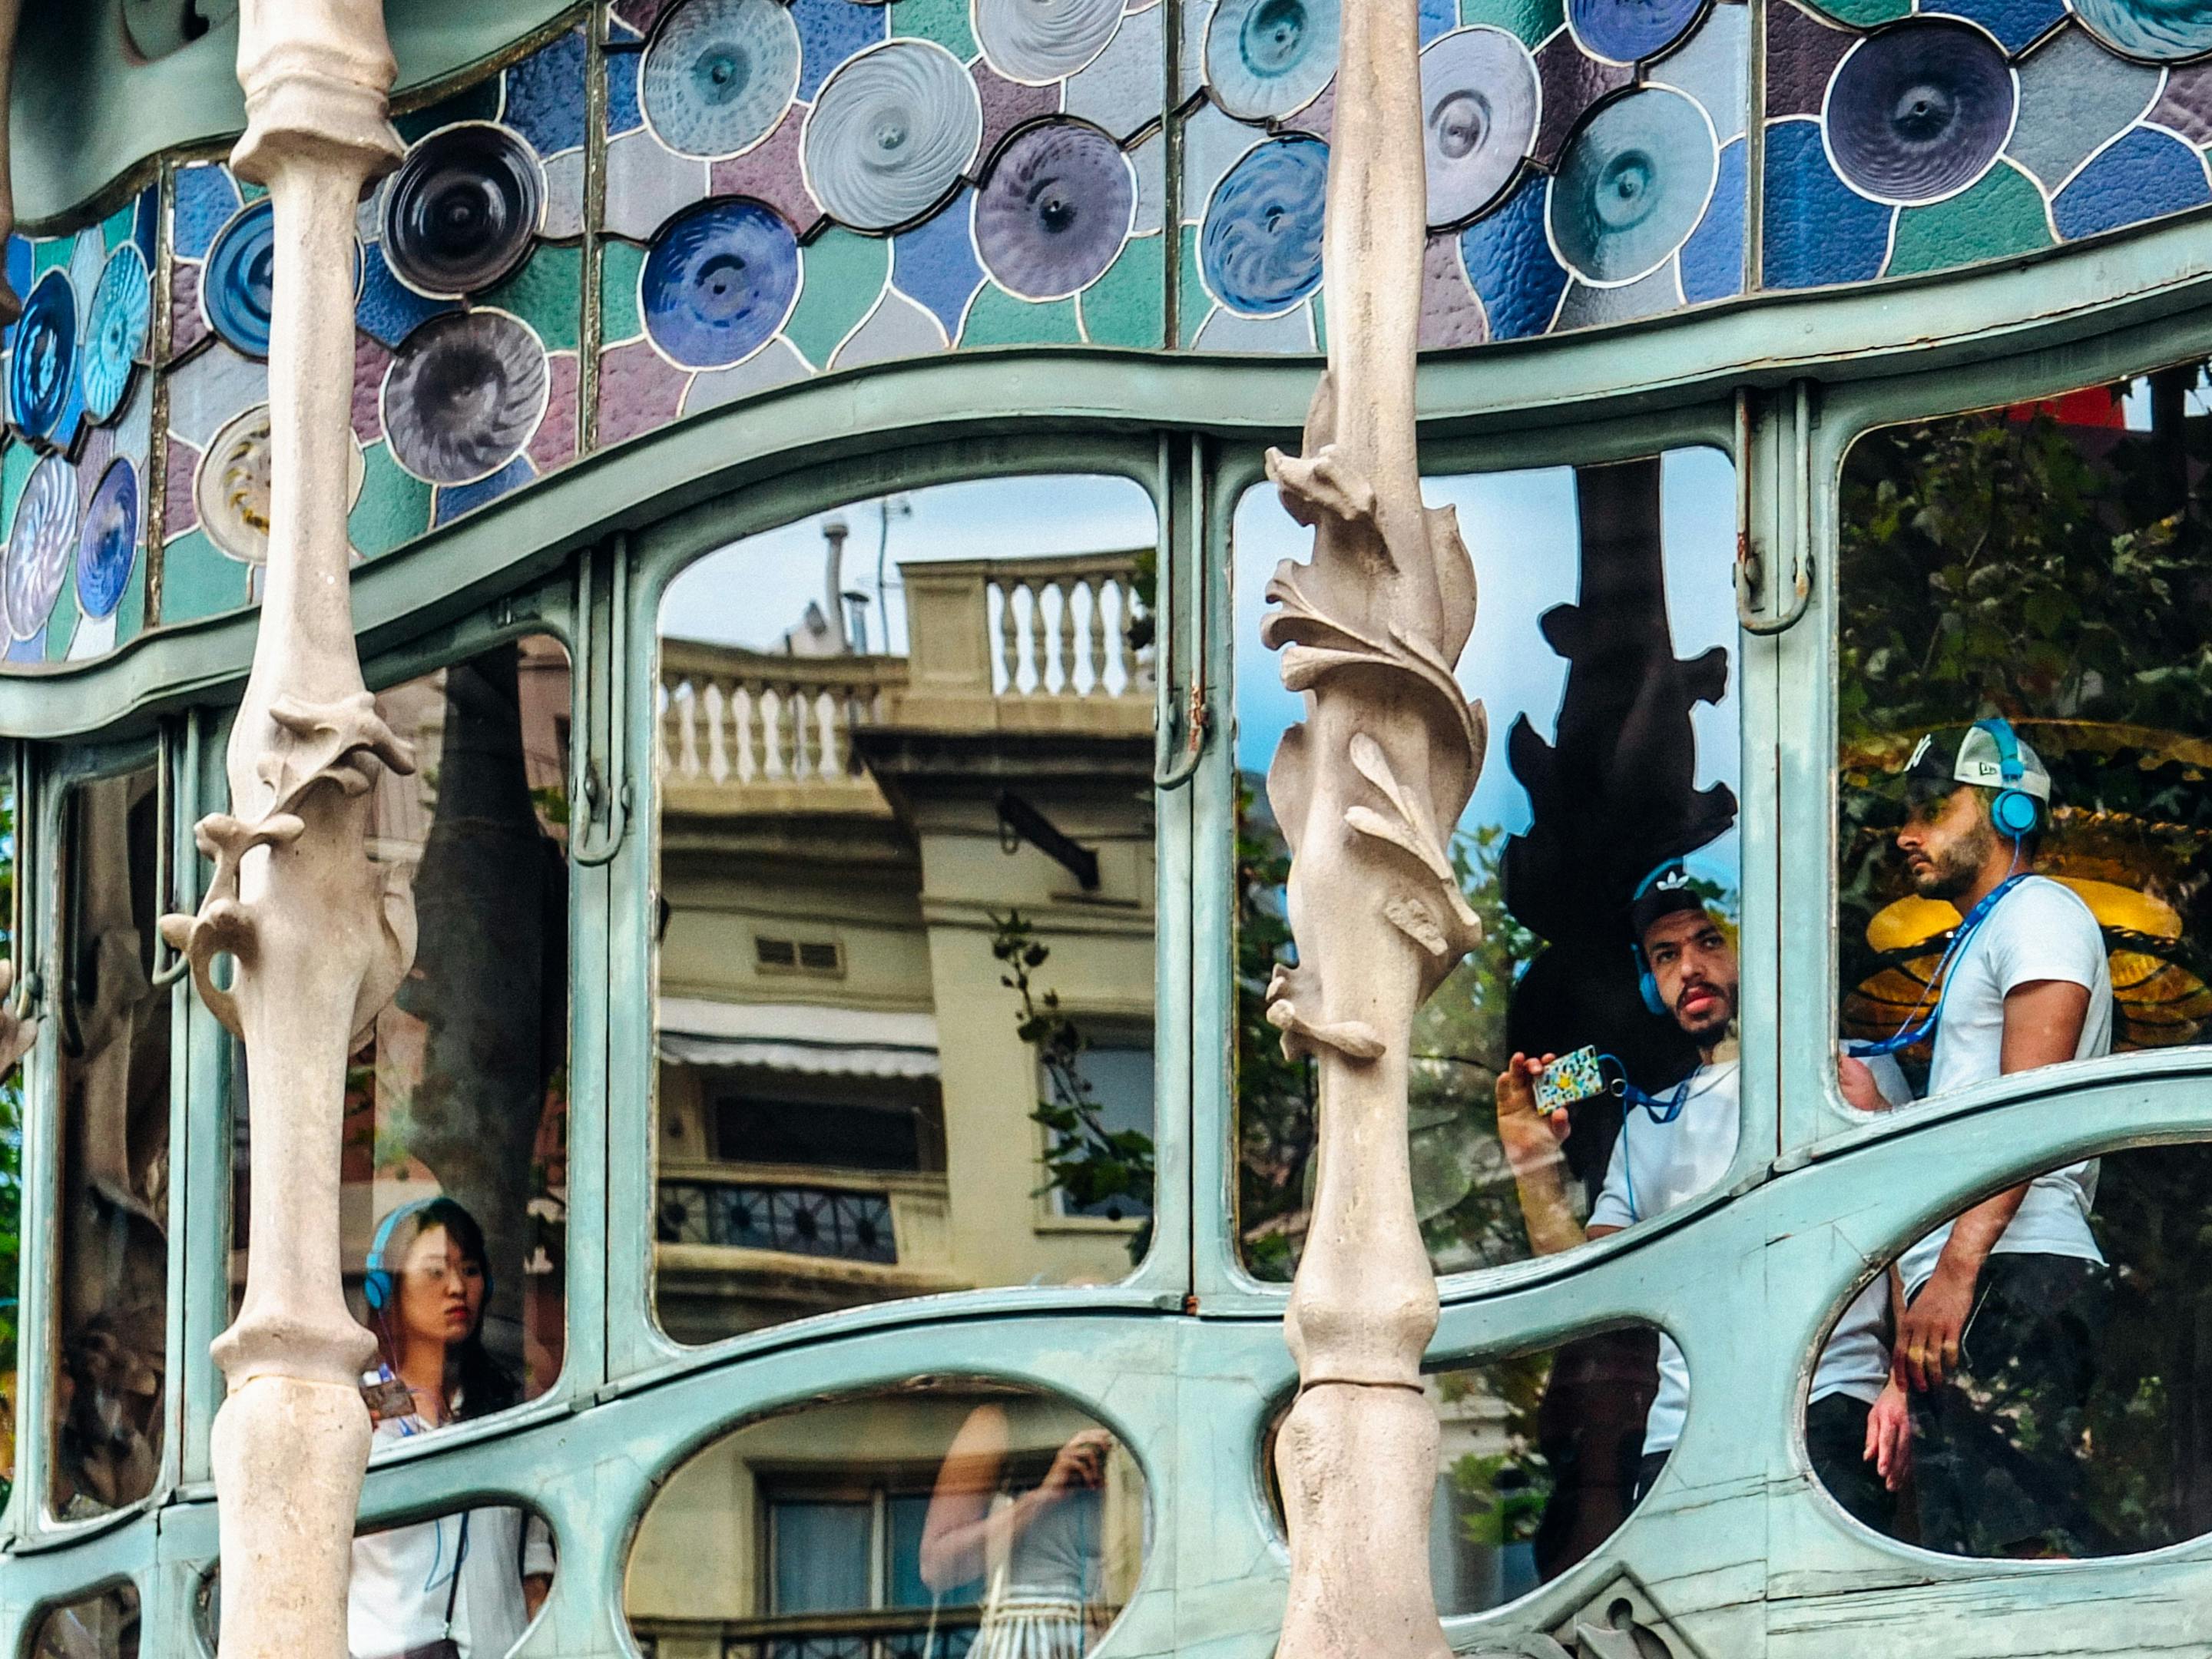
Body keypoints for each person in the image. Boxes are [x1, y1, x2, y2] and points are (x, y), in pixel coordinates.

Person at [1495, 863, 1899, 1534]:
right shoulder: (1648, 1124)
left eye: (1709, 941)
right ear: (1651, 985)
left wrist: (1902, 1392)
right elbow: (1591, 1299)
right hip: (1683, 1435)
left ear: (1755, 949)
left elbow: (1908, 1238)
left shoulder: (1846, 1070)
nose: (1688, 967)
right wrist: (1531, 1159)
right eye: (1666, 954)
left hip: (1828, 1404)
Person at [1839, 721, 2114, 1558]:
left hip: (2012, 1273)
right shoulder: (1987, 934)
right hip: (1970, 1285)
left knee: (2023, 1556)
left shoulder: (2040, 912)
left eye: (1933, 806)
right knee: (1975, 1567)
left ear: (2009, 814)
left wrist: (1957, 1273)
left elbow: (2028, 1111)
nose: (1906, 831)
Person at [348, 1197, 554, 1659]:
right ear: (386, 1289)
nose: (457, 1288)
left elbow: (533, 1570)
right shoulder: (358, 1413)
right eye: (436, 1272)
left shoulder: (505, 1414)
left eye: (471, 1270)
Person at [919, 1402, 1124, 1659]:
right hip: (1029, 1644)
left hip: (1119, 1633)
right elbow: (937, 1567)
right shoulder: (999, 1422)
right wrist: (1045, 1496)